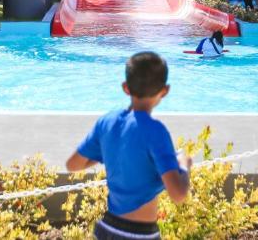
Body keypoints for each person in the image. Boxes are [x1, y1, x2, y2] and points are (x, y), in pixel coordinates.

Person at [67, 52, 190, 239]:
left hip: (107, 229)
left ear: (125, 88)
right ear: (165, 91)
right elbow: (178, 194)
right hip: (139, 234)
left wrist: (106, 151)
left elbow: (73, 165)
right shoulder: (156, 131)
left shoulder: (107, 123)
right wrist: (184, 165)